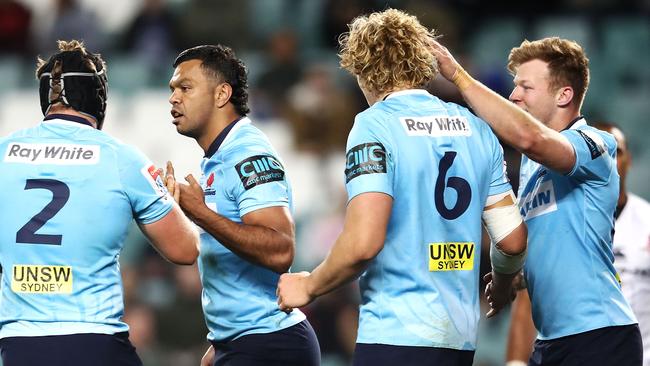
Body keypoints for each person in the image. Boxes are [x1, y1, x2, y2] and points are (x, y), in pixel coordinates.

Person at [276, 9, 527, 366]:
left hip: (396, 335)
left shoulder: (375, 125)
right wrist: (501, 286)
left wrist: (309, 285)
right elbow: (512, 240)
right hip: (459, 340)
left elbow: (363, 244)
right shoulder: (476, 128)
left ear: (363, 71)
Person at [431, 37, 643, 365]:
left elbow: (530, 138)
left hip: (599, 337)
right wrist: (512, 280)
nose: (514, 95)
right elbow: (547, 243)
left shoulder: (597, 144)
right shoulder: (532, 164)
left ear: (564, 95)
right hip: (551, 341)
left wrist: (459, 77)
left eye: (525, 87)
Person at [0, 40, 199, 366]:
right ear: (98, 96)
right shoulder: (122, 158)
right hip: (93, 339)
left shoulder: (3, 153)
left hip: (19, 344)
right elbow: (185, 250)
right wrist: (177, 208)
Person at [165, 45, 320, 366]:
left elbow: (280, 250)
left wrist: (201, 214)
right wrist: (223, 341)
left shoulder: (247, 154)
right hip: (244, 341)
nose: (173, 98)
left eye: (185, 87)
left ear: (222, 94)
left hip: (270, 345)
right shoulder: (219, 156)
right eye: (172, 89)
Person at [505, 122, 650, 366]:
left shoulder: (646, 220)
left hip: (625, 348)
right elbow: (529, 297)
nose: (611, 160)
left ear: (630, 160)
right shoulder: (559, 213)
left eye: (618, 153)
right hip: (569, 341)